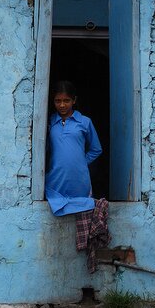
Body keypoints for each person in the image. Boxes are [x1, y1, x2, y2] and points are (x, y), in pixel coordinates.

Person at [45, 81, 102, 217]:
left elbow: (96, 149)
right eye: (58, 101)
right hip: (55, 176)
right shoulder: (49, 122)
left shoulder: (85, 122)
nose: (62, 105)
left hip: (79, 177)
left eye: (66, 100)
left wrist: (81, 162)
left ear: (74, 100)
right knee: (55, 206)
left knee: (82, 209)